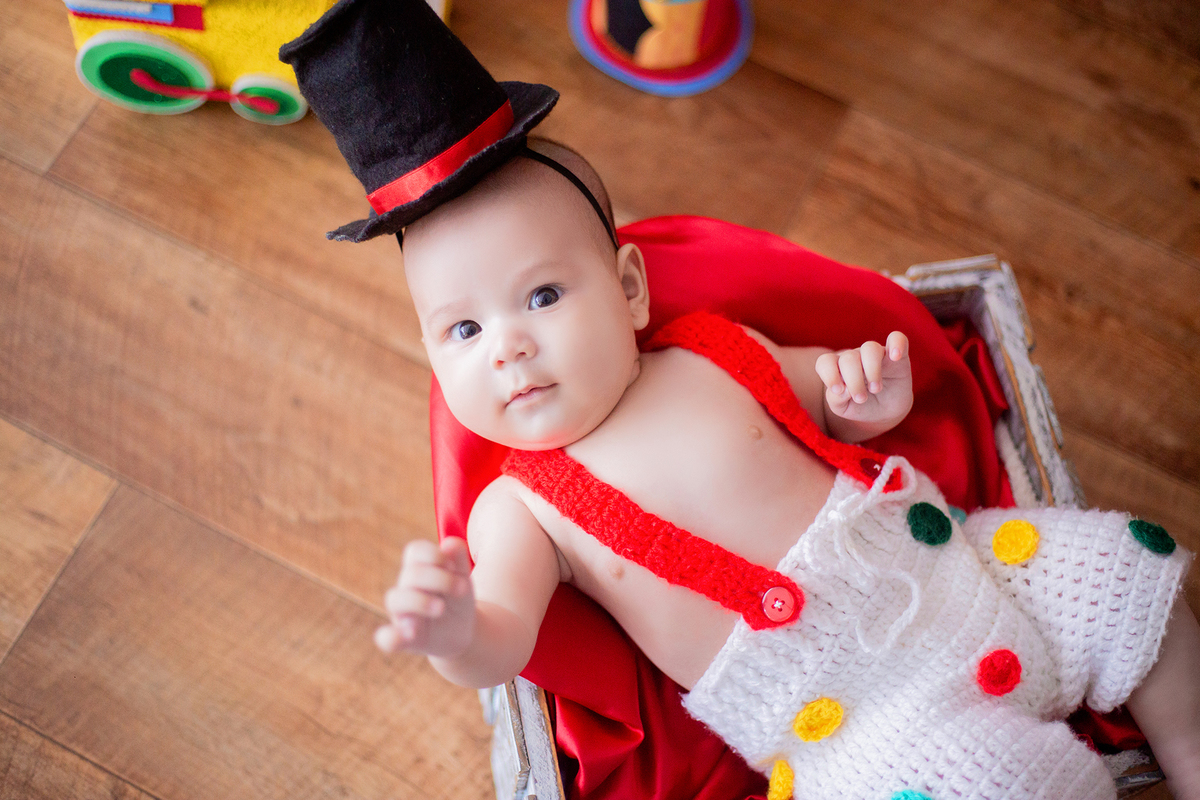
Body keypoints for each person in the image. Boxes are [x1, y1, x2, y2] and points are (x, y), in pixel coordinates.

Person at [279, 2, 1200, 798]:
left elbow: (835, 411)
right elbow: (504, 639)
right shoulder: (520, 509)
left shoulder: (716, 351)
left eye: (544, 296)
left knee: (1123, 570)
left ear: (630, 289)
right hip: (859, 721)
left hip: (969, 573)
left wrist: (867, 396)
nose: (509, 344)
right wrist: (456, 633)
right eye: (462, 332)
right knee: (985, 785)